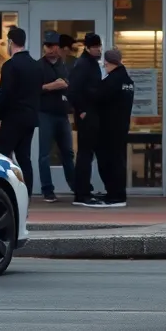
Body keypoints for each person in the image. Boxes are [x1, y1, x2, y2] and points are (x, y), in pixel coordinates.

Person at [0, 27, 41, 195]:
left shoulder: (10, 65)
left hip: (12, 118)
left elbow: (5, 93)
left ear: (11, 42)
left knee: (1, 155)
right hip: (30, 118)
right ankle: (27, 194)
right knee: (24, 158)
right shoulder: (36, 65)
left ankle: (1, 192)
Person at [37, 30, 76, 203]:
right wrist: (53, 86)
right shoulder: (38, 66)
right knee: (44, 154)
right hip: (45, 113)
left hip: (62, 114)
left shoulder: (66, 65)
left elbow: (70, 85)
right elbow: (33, 89)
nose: (51, 49)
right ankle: (47, 190)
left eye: (54, 46)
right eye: (48, 46)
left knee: (67, 152)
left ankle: (75, 186)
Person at [68, 32, 106, 208]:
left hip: (92, 113)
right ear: (88, 47)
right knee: (85, 154)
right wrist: (82, 111)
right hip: (87, 114)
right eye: (95, 47)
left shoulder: (90, 63)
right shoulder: (83, 65)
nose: (98, 50)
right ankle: (82, 193)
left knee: (87, 154)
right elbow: (73, 90)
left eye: (99, 46)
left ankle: (84, 190)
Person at [97, 48, 135, 207]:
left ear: (107, 62)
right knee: (118, 160)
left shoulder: (112, 81)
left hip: (109, 127)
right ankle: (118, 193)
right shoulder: (127, 81)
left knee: (109, 161)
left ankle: (114, 195)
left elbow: (99, 99)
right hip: (121, 126)